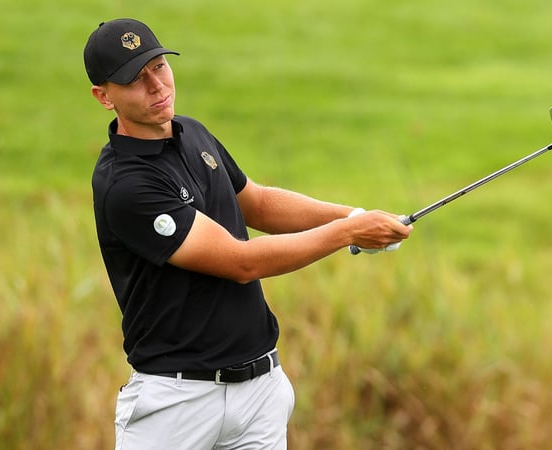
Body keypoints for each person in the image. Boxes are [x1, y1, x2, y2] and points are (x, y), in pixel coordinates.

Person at [84, 18, 413, 450]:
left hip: (259, 391)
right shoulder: (125, 185)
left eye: (159, 67)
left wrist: (352, 215)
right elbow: (241, 262)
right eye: (134, 79)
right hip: (176, 403)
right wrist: (347, 231)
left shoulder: (192, 133)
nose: (156, 85)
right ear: (104, 96)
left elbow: (256, 202)